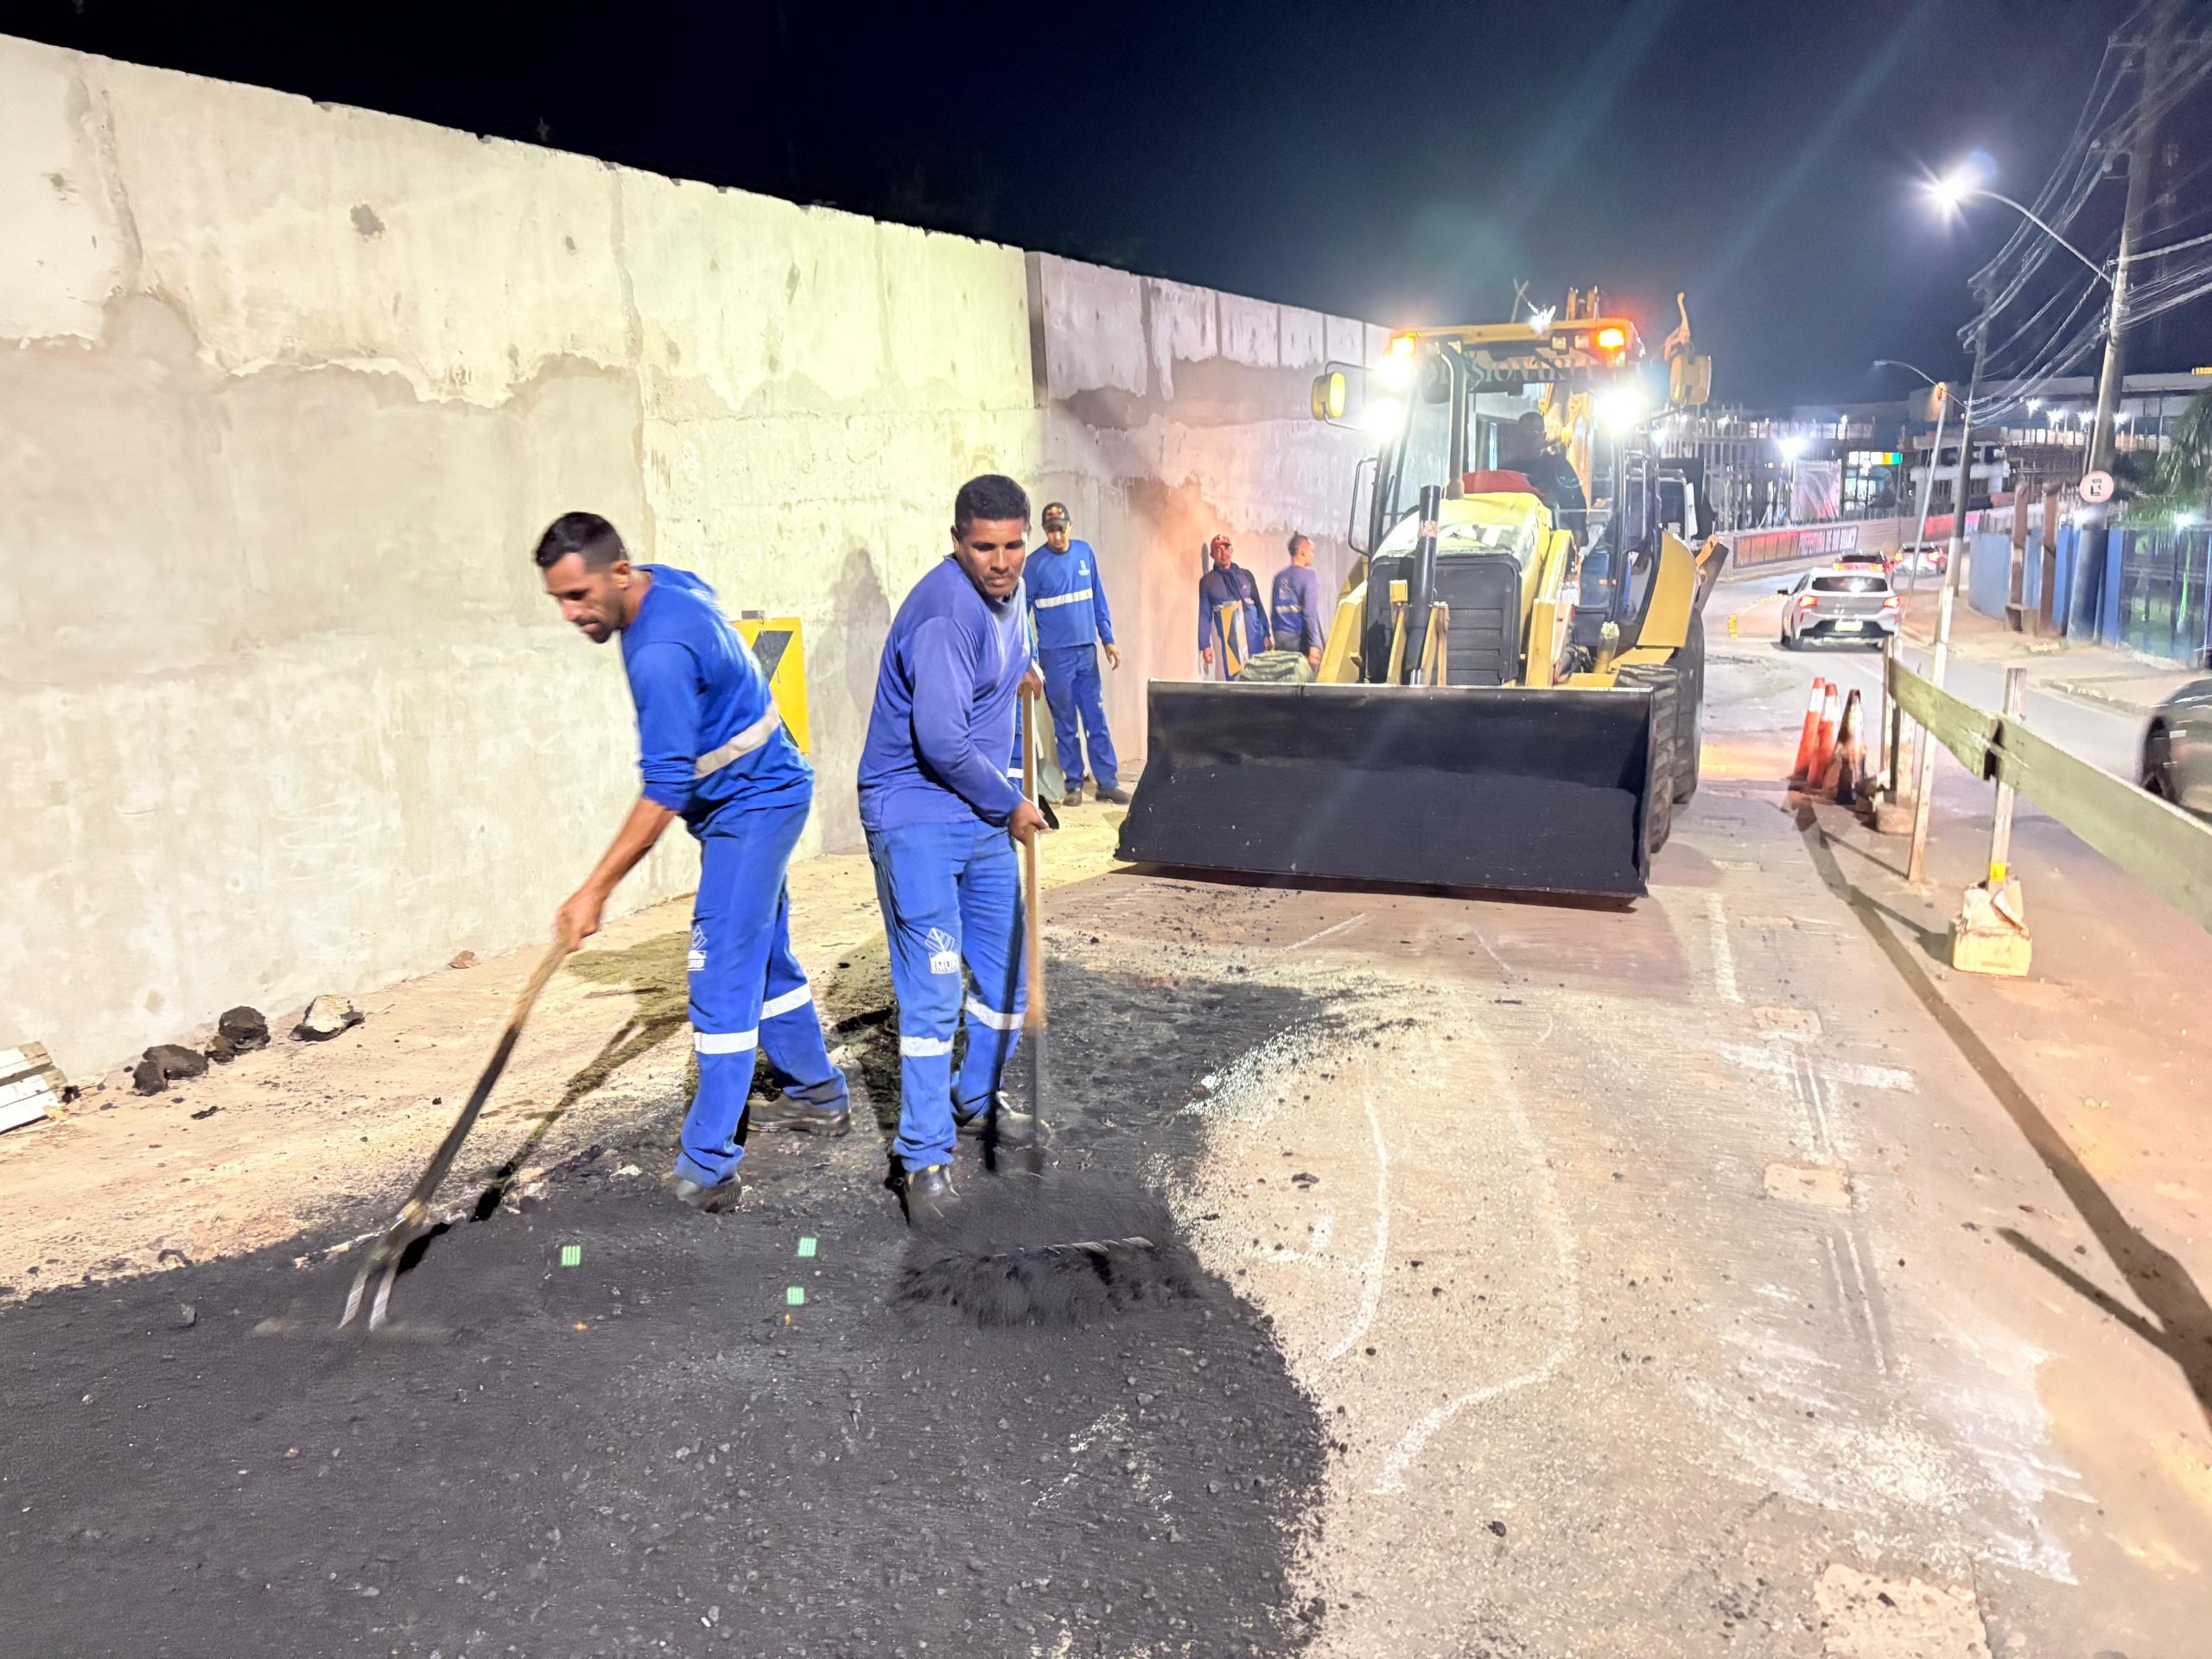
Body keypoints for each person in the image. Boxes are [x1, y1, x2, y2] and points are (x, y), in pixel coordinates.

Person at [537, 512, 849, 1216]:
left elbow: (664, 790)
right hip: (762, 790)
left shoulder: (658, 652)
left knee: (717, 978)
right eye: (559, 599)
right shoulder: (667, 583)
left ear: (619, 574)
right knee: (765, 960)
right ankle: (818, 1095)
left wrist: (593, 891)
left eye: (579, 595)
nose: (570, 613)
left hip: (753, 808)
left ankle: (708, 1167)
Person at [856, 474, 1051, 1224]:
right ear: (957, 542)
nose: (1000, 562)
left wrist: (1018, 670)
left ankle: (976, 1098)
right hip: (916, 812)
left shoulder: (1014, 595)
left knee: (1009, 978)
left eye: (1011, 546)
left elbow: (1001, 654)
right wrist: (1012, 804)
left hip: (977, 808)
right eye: (983, 548)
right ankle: (924, 1156)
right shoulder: (943, 615)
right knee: (935, 989)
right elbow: (939, 739)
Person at [1024, 503, 1127, 806]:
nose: (1056, 535)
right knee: (1066, 722)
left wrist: (1108, 640)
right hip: (1055, 657)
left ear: (1071, 525)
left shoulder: (1085, 554)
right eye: (1050, 530)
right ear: (1045, 531)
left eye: (1061, 528)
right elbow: (1021, 615)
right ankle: (1073, 784)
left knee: (1096, 717)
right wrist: (1028, 657)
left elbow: (1098, 598)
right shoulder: (1035, 565)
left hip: (1086, 652)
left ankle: (1107, 782)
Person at [1500, 410, 1588, 534]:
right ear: (1517, 436)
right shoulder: (1505, 471)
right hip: (1513, 535)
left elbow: (1576, 503)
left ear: (1543, 436)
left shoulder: (1559, 467)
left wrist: (1579, 532)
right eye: (1525, 434)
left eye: (1534, 434)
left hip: (1553, 539)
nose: (1529, 440)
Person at [1198, 535, 1268, 678]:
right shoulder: (1207, 582)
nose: (1224, 553)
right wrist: (1205, 645)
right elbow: (1204, 615)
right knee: (1237, 680)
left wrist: (1267, 633)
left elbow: (1258, 604)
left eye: (1227, 548)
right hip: (1231, 638)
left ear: (1232, 550)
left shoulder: (1246, 575)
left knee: (1260, 677)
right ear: (1212, 555)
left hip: (1254, 634)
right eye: (1218, 550)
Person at [1269, 532, 1328, 666]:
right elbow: (1309, 614)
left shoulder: (1279, 577)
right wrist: (1314, 644)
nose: (1313, 555)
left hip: (1280, 638)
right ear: (1302, 551)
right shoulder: (1309, 576)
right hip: (1299, 639)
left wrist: (1277, 637)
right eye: (1311, 551)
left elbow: (1273, 613)